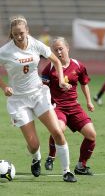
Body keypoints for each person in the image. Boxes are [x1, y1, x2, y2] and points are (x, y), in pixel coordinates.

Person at [0, 15, 77, 182]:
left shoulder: (36, 44)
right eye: (15, 34)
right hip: (18, 100)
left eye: (21, 33)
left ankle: (67, 171)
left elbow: (56, 61)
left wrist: (62, 80)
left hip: (38, 94)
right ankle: (36, 158)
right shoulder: (5, 51)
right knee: (34, 145)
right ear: (11, 34)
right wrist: (4, 86)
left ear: (27, 30)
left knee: (57, 131)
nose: (19, 37)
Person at [41, 37, 96, 175]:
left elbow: (84, 84)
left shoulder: (78, 65)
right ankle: (51, 157)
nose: (59, 52)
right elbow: (43, 89)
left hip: (74, 107)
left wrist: (89, 101)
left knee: (91, 135)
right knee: (59, 129)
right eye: (55, 50)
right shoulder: (49, 68)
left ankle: (81, 166)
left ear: (67, 48)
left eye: (61, 49)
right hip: (57, 107)